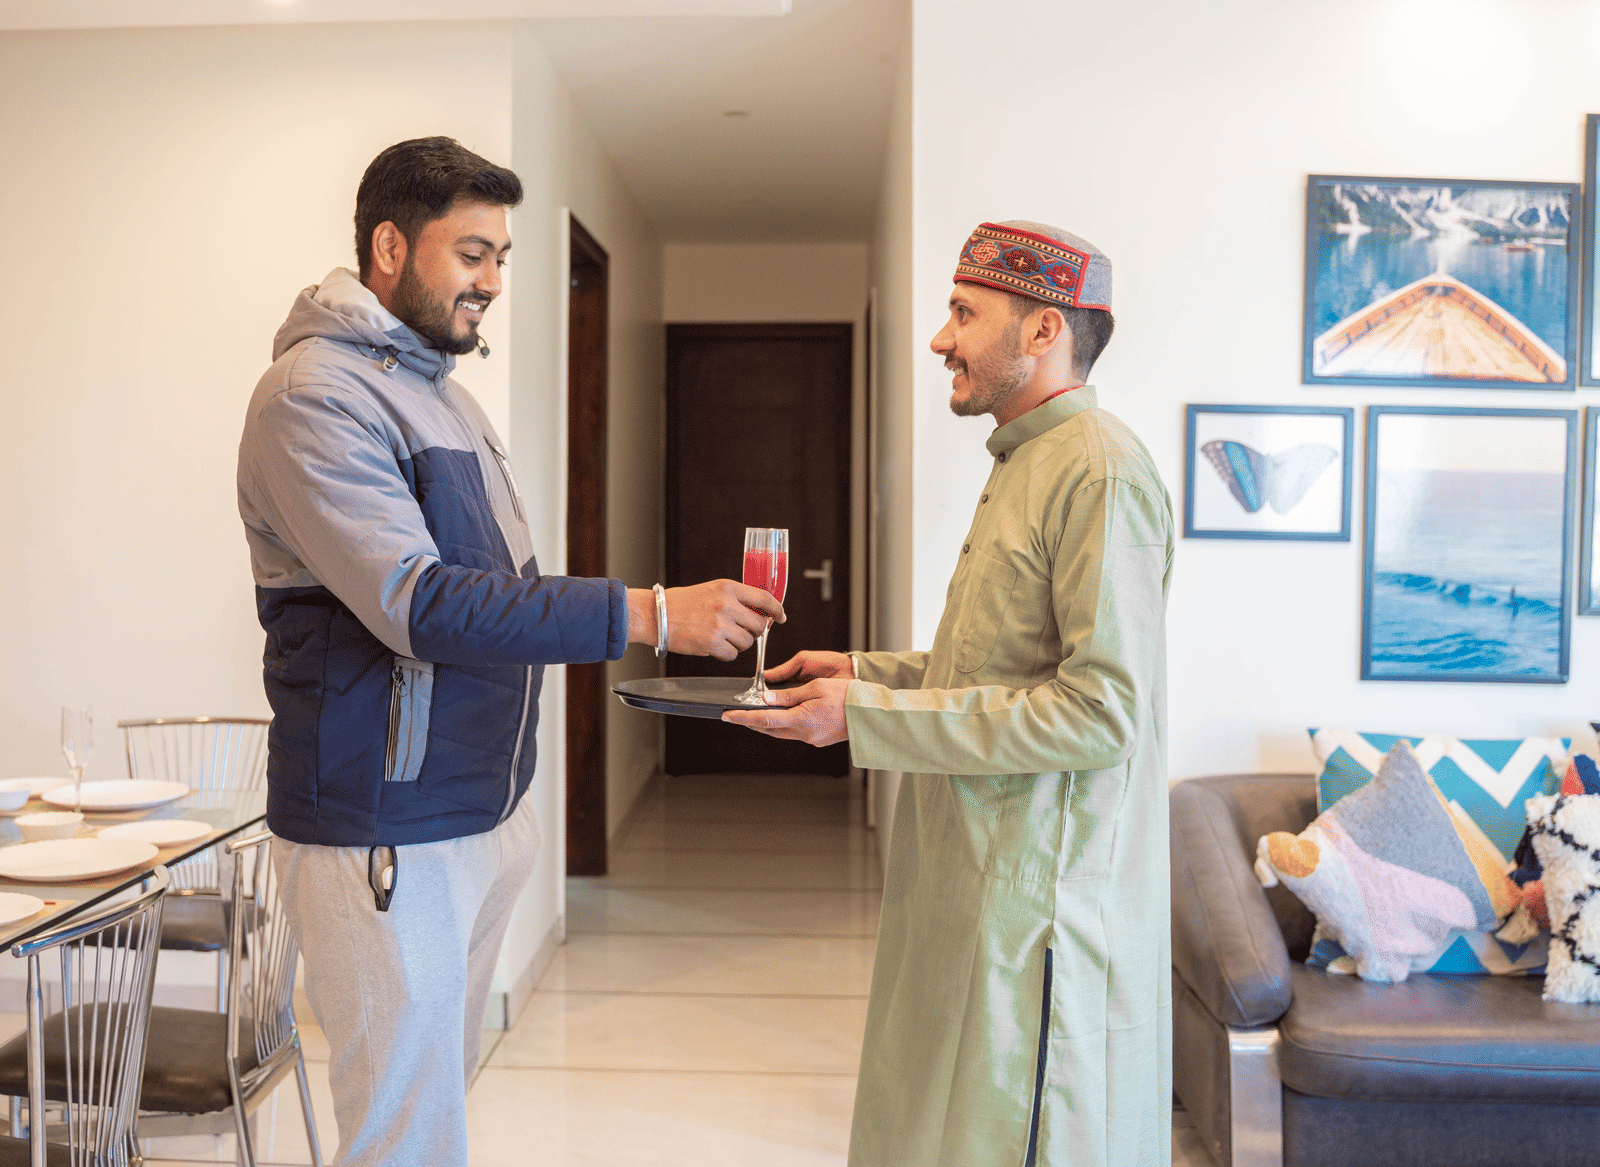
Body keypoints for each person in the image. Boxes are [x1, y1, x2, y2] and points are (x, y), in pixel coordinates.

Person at [236, 136, 782, 1167]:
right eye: (471, 252)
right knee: (403, 1136)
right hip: (384, 828)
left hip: (477, 814)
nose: (491, 281)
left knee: (435, 1111)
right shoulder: (315, 395)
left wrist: (519, 806)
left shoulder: (444, 394)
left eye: (502, 257)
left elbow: (511, 594)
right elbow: (421, 604)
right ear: (390, 247)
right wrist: (654, 615)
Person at [725, 221, 1173, 1167]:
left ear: (1044, 328)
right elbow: (999, 670)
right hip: (964, 886)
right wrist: (866, 671)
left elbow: (1102, 710)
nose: (942, 339)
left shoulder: (1100, 469)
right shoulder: (1026, 459)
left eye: (965, 314)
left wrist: (869, 717)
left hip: (1034, 912)